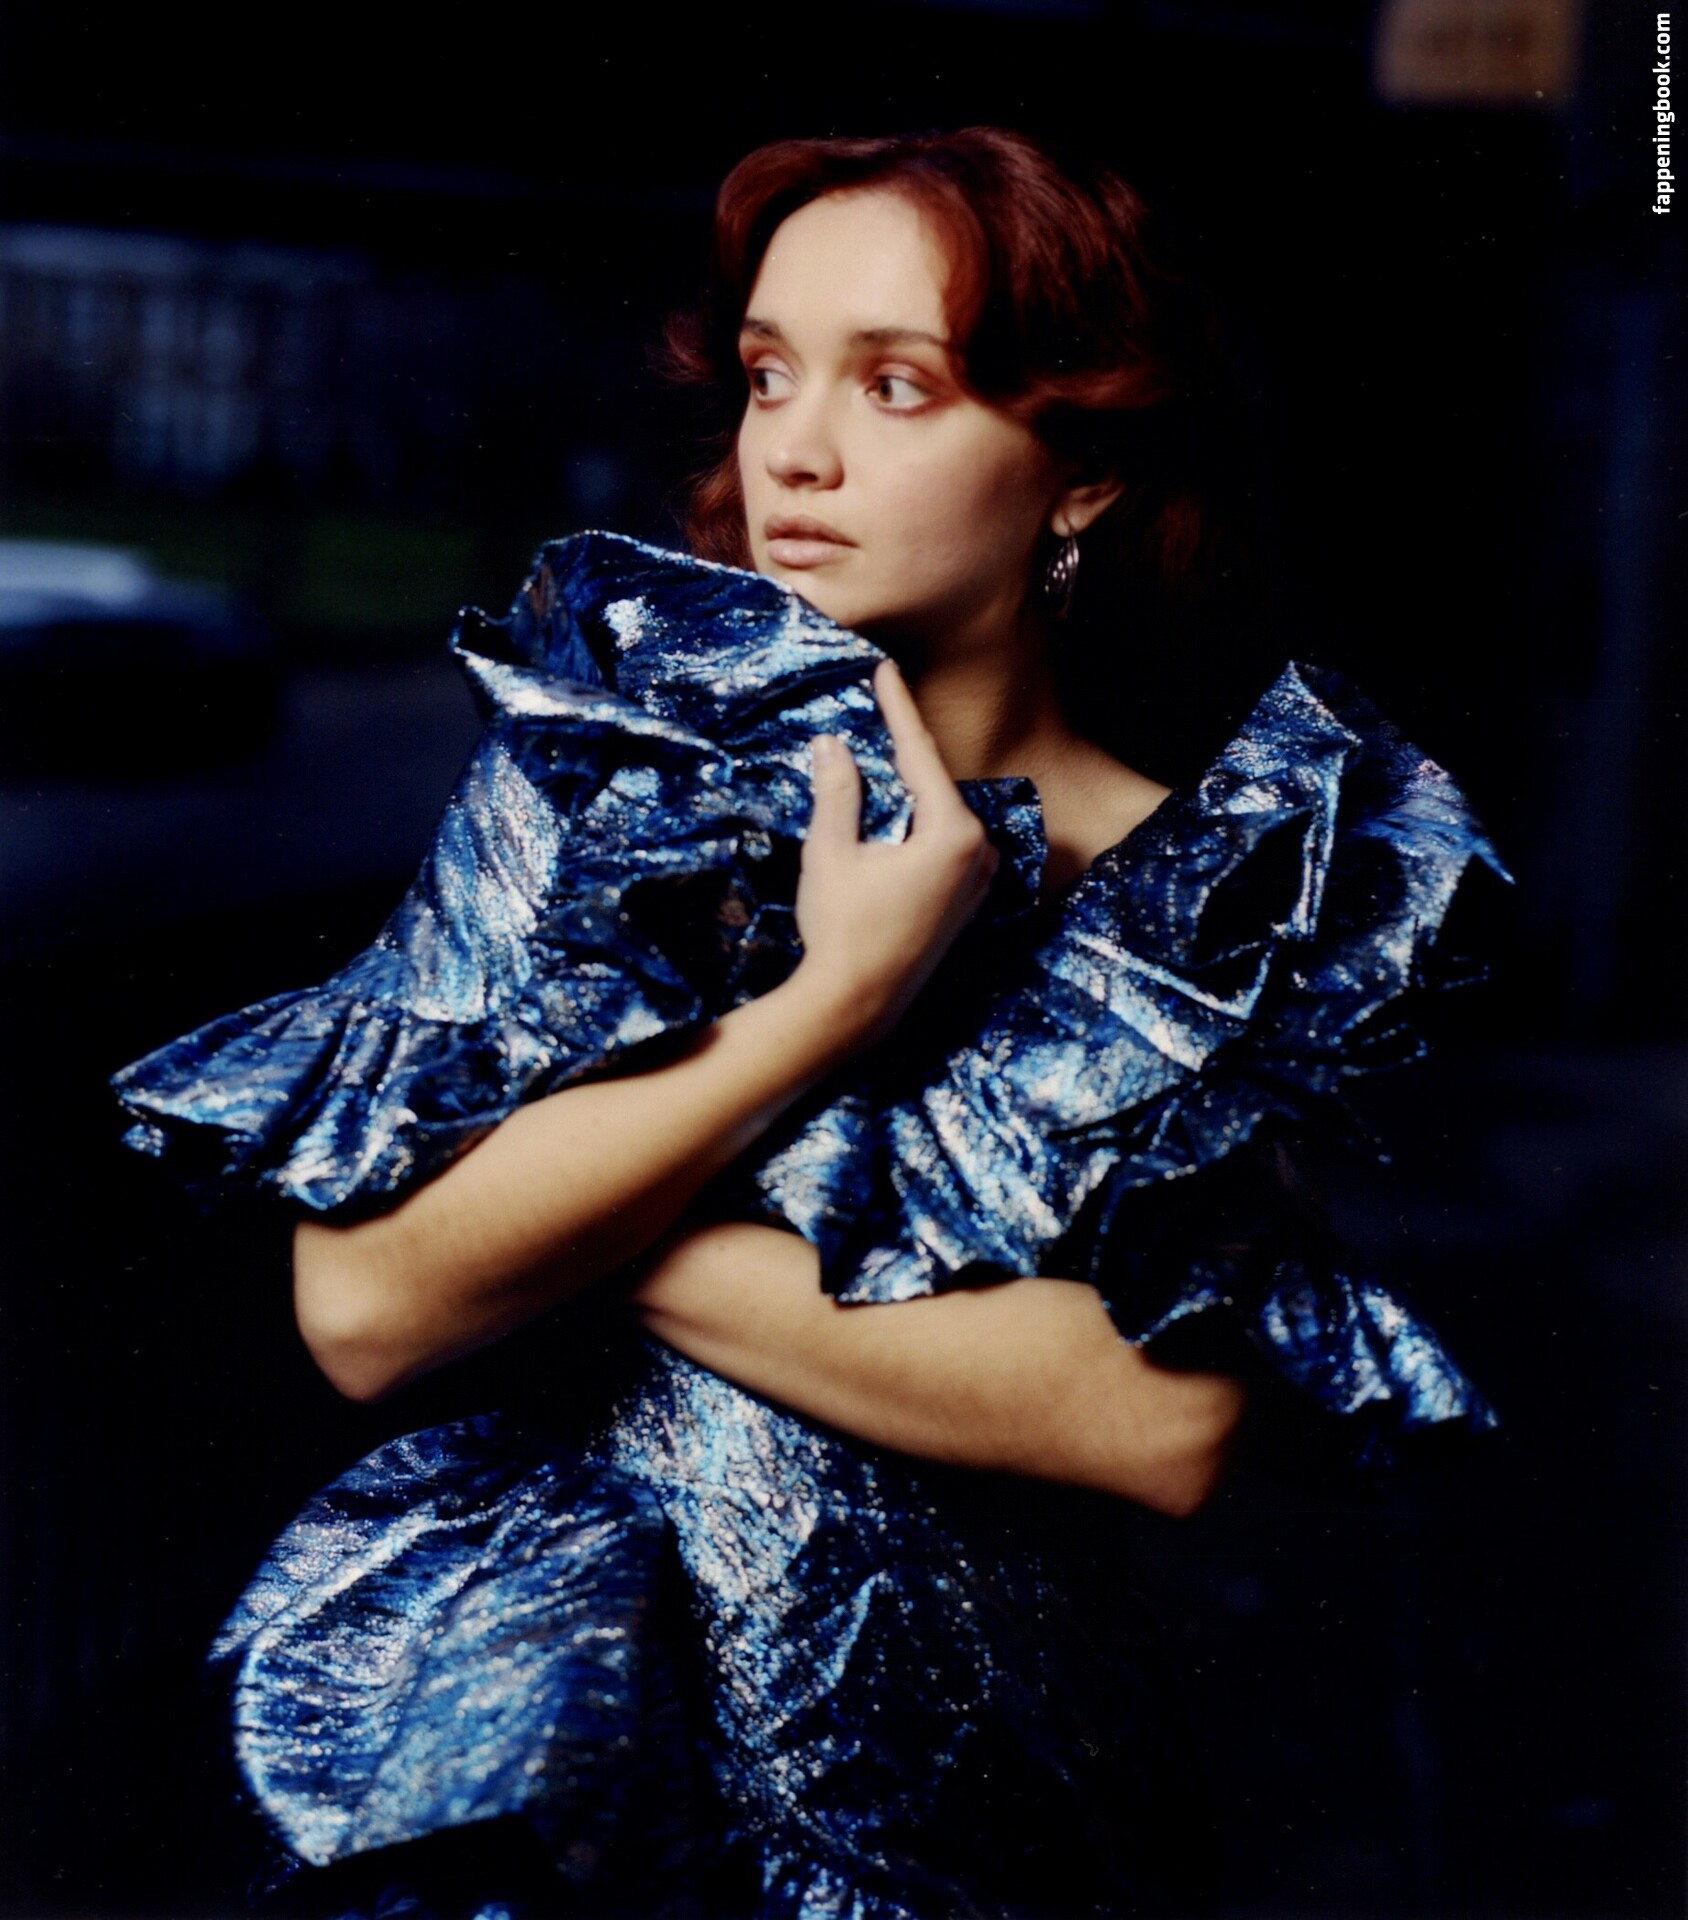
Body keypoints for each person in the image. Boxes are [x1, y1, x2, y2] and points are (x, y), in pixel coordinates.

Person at [111, 128, 1505, 1920]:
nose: (795, 448)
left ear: (1080, 470)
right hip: (575, 1769)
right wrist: (837, 1000)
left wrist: (557, 1221)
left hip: (1002, 1811)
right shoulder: (599, 782)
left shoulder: (1222, 881)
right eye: (771, 373)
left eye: (895, 385)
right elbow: (367, 1306)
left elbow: (1159, 1424)